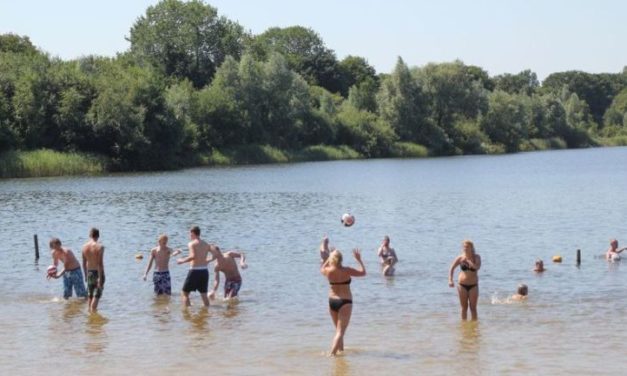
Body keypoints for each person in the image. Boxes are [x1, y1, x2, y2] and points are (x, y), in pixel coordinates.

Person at [320, 249, 366, 356]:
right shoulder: (347, 270)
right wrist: (359, 260)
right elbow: (363, 273)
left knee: (338, 331)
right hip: (345, 302)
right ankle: (332, 354)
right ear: (341, 259)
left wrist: (328, 258)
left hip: (332, 302)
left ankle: (341, 353)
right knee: (340, 332)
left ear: (332, 259)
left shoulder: (328, 271)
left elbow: (321, 268)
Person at [177, 226, 220, 307]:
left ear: (193, 233)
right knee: (204, 294)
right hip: (204, 271)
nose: (189, 236)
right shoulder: (206, 244)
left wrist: (181, 261)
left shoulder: (191, 244)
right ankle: (206, 312)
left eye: (190, 234)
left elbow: (192, 256)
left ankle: (187, 313)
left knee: (184, 293)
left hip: (194, 271)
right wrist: (208, 260)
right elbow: (216, 254)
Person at [448, 240, 482, 321]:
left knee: (473, 308)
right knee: (464, 308)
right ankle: (464, 327)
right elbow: (451, 268)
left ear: (471, 248)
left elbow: (477, 267)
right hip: (462, 285)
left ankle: (474, 327)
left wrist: (469, 262)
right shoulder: (460, 258)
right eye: (464, 247)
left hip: (473, 285)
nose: (465, 248)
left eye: (467, 247)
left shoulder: (476, 257)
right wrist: (450, 280)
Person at [82, 228, 105, 313]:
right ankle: (93, 314)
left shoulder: (84, 247)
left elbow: (84, 263)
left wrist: (85, 275)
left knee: (90, 296)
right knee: (97, 295)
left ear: (90, 235)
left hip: (89, 273)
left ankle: (90, 318)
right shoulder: (100, 247)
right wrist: (100, 278)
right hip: (98, 273)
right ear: (98, 236)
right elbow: (100, 263)